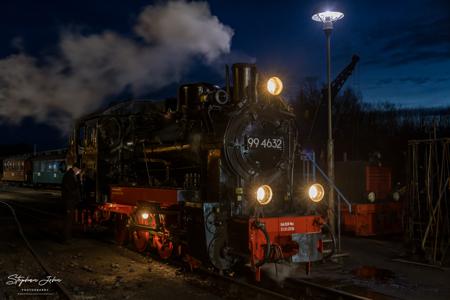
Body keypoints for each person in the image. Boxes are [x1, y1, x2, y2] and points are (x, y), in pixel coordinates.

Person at [61, 162, 82, 242]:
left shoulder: (71, 175)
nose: (79, 172)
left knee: (69, 220)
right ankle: (66, 238)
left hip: (70, 201)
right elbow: (72, 189)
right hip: (69, 201)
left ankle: (67, 237)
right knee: (68, 220)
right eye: (79, 170)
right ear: (75, 168)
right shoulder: (69, 176)